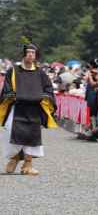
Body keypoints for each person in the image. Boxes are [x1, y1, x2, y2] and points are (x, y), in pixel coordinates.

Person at [0, 42, 57, 175]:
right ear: (24, 54)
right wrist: (12, 96)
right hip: (17, 109)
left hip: (34, 110)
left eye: (33, 53)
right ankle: (14, 159)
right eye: (28, 52)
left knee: (32, 136)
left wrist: (44, 97)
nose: (31, 55)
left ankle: (28, 164)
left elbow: (48, 89)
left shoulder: (40, 73)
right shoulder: (13, 71)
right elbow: (7, 89)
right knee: (11, 133)